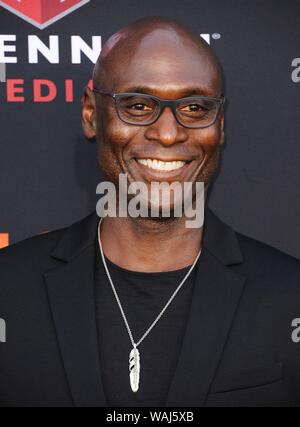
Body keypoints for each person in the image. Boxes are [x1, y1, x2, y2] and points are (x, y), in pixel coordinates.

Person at [0, 16, 300, 408]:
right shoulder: (8, 290)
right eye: (138, 105)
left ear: (220, 125)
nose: (168, 133)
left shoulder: (290, 297)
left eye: (194, 107)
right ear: (92, 114)